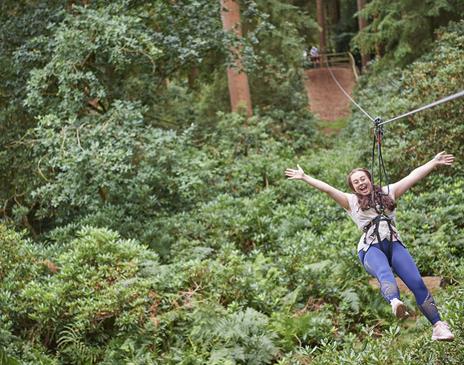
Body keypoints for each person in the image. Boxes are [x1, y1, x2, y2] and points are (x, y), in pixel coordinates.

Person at [285, 151, 455, 341]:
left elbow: (412, 176)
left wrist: (433, 162)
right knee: (384, 273)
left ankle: (438, 326)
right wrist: (305, 177)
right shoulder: (351, 202)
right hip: (370, 249)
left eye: (362, 179)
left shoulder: (389, 192)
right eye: (356, 182)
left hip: (394, 244)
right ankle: (395, 302)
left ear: (369, 179)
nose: (360, 183)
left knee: (417, 282)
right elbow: (328, 189)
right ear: (353, 187)